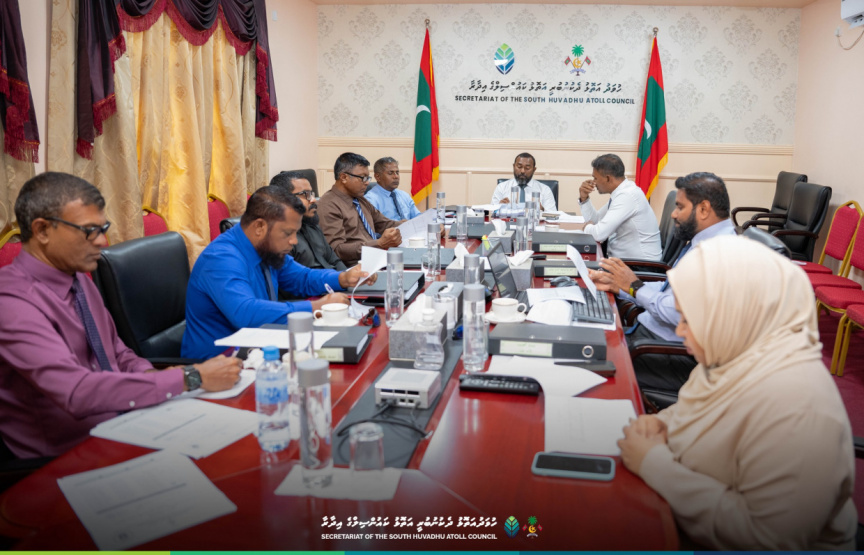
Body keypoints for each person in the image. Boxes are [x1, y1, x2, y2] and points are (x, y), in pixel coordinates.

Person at [618, 235, 856, 550]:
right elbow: (696, 404)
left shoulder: (799, 406)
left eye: (689, 319)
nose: (679, 331)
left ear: (732, 313)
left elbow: (768, 539)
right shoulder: (735, 350)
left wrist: (654, 464)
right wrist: (664, 422)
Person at [0, 172, 242, 458]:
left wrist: (153, 378)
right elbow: (77, 392)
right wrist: (189, 378)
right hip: (67, 456)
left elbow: (117, 353)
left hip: (127, 424)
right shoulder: (12, 302)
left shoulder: (77, 279)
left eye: (104, 228)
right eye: (90, 231)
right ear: (41, 230)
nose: (103, 241)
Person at [182, 186, 372, 359]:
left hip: (261, 346)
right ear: (260, 227)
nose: (294, 241)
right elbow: (246, 314)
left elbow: (301, 277)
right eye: (287, 233)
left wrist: (342, 277)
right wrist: (315, 307)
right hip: (218, 365)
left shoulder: (266, 246)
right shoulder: (221, 258)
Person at [589, 172, 737, 394]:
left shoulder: (717, 252)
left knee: (590, 359)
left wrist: (635, 287)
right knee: (590, 338)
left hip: (667, 352)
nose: (674, 214)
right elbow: (670, 291)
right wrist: (621, 286)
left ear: (704, 209)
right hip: (652, 337)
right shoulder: (703, 241)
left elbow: (679, 314)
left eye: (680, 207)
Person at [317, 152, 403, 266]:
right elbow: (336, 249)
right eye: (363, 178)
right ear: (344, 177)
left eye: (368, 177)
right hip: (355, 268)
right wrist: (379, 244)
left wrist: (411, 224)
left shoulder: (359, 199)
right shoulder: (328, 204)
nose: (367, 182)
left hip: (377, 259)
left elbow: (384, 224)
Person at [578, 154, 661, 259]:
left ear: (608, 178)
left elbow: (599, 234)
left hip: (640, 266)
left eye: (595, 178)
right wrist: (584, 199)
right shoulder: (622, 192)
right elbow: (596, 221)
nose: (594, 183)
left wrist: (586, 228)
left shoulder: (627, 196)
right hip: (624, 262)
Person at [270, 170, 347, 272]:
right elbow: (294, 281)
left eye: (312, 193)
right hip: (316, 285)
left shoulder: (312, 224)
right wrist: (340, 280)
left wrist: (351, 279)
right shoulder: (278, 236)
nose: (313, 200)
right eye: (306, 194)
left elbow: (335, 261)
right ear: (283, 199)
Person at [490, 153, 557, 211]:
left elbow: (553, 216)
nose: (522, 171)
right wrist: (500, 209)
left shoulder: (545, 190)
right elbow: (493, 213)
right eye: (519, 167)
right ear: (513, 166)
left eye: (527, 168)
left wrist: (542, 209)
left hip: (536, 224)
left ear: (534, 169)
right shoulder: (501, 187)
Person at [364, 157, 422, 221]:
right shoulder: (370, 200)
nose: (396, 176)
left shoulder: (404, 195)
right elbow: (373, 228)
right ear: (378, 177)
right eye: (390, 173)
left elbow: (418, 218)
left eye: (397, 172)